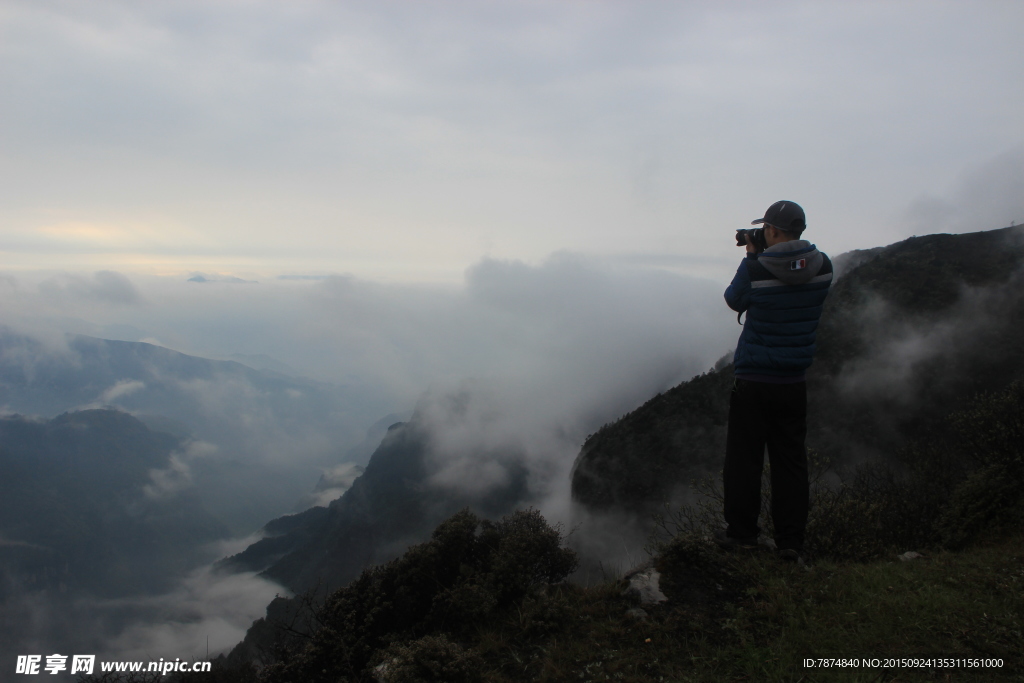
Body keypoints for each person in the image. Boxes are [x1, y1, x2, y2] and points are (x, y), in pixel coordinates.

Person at [714, 200, 833, 562]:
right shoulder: (824, 267)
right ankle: (791, 543)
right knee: (791, 463)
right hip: (793, 382)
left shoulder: (757, 268)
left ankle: (743, 535)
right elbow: (795, 275)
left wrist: (752, 254)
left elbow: (734, 300)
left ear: (773, 231)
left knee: (743, 460)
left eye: (766, 228)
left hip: (752, 380)